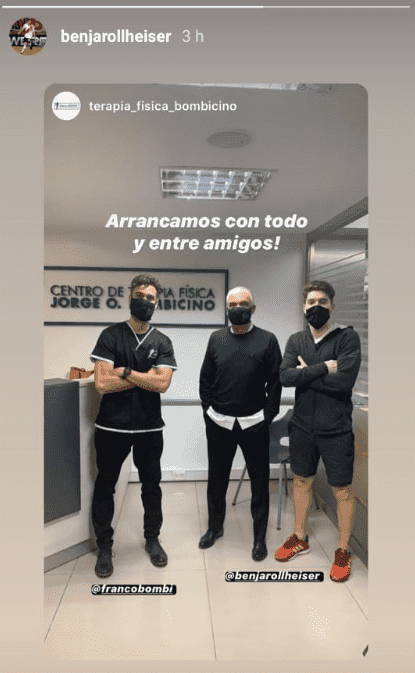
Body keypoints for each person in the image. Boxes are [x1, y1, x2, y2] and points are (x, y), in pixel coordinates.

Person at [90, 274, 177, 578]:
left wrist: (125, 371)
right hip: (111, 428)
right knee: (105, 486)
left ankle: (152, 539)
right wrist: (145, 377)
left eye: (151, 297)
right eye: (140, 295)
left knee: (151, 487)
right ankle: (104, 547)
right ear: (130, 297)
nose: (145, 301)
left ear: (157, 303)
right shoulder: (111, 335)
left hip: (149, 429)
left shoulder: (162, 341)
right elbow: (102, 383)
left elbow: (163, 384)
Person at [274, 280, 361, 582]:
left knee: (342, 490)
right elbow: (285, 377)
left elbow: (344, 382)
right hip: (302, 426)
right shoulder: (296, 340)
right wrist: (324, 367)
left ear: (332, 305)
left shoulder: (347, 337)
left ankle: (343, 550)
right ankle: (300, 537)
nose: (316, 307)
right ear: (303, 307)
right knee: (301, 481)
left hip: (336, 429)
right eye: (311, 302)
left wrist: (305, 373)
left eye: (323, 302)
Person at [199, 286, 282, 561]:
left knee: (259, 483)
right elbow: (205, 379)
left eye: (243, 303)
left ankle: (259, 539)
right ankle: (214, 528)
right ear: (226, 309)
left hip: (254, 423)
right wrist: (208, 411)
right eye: (232, 305)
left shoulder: (268, 340)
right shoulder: (216, 339)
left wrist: (268, 416)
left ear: (253, 308)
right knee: (216, 480)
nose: (238, 309)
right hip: (219, 422)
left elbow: (276, 382)